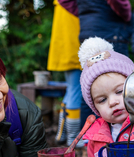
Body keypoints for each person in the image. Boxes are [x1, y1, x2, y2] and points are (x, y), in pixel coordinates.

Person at [58, 0, 132, 132]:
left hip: (88, 29)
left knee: (92, 89)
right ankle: (128, 133)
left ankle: (89, 138)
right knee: (119, 83)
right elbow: (121, 5)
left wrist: (85, 13)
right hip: (111, 30)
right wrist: (125, 12)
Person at [47, 0, 83, 148]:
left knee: (71, 89)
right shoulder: (71, 4)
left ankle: (62, 134)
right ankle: (73, 139)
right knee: (75, 90)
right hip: (74, 48)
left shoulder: (61, 3)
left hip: (66, 49)